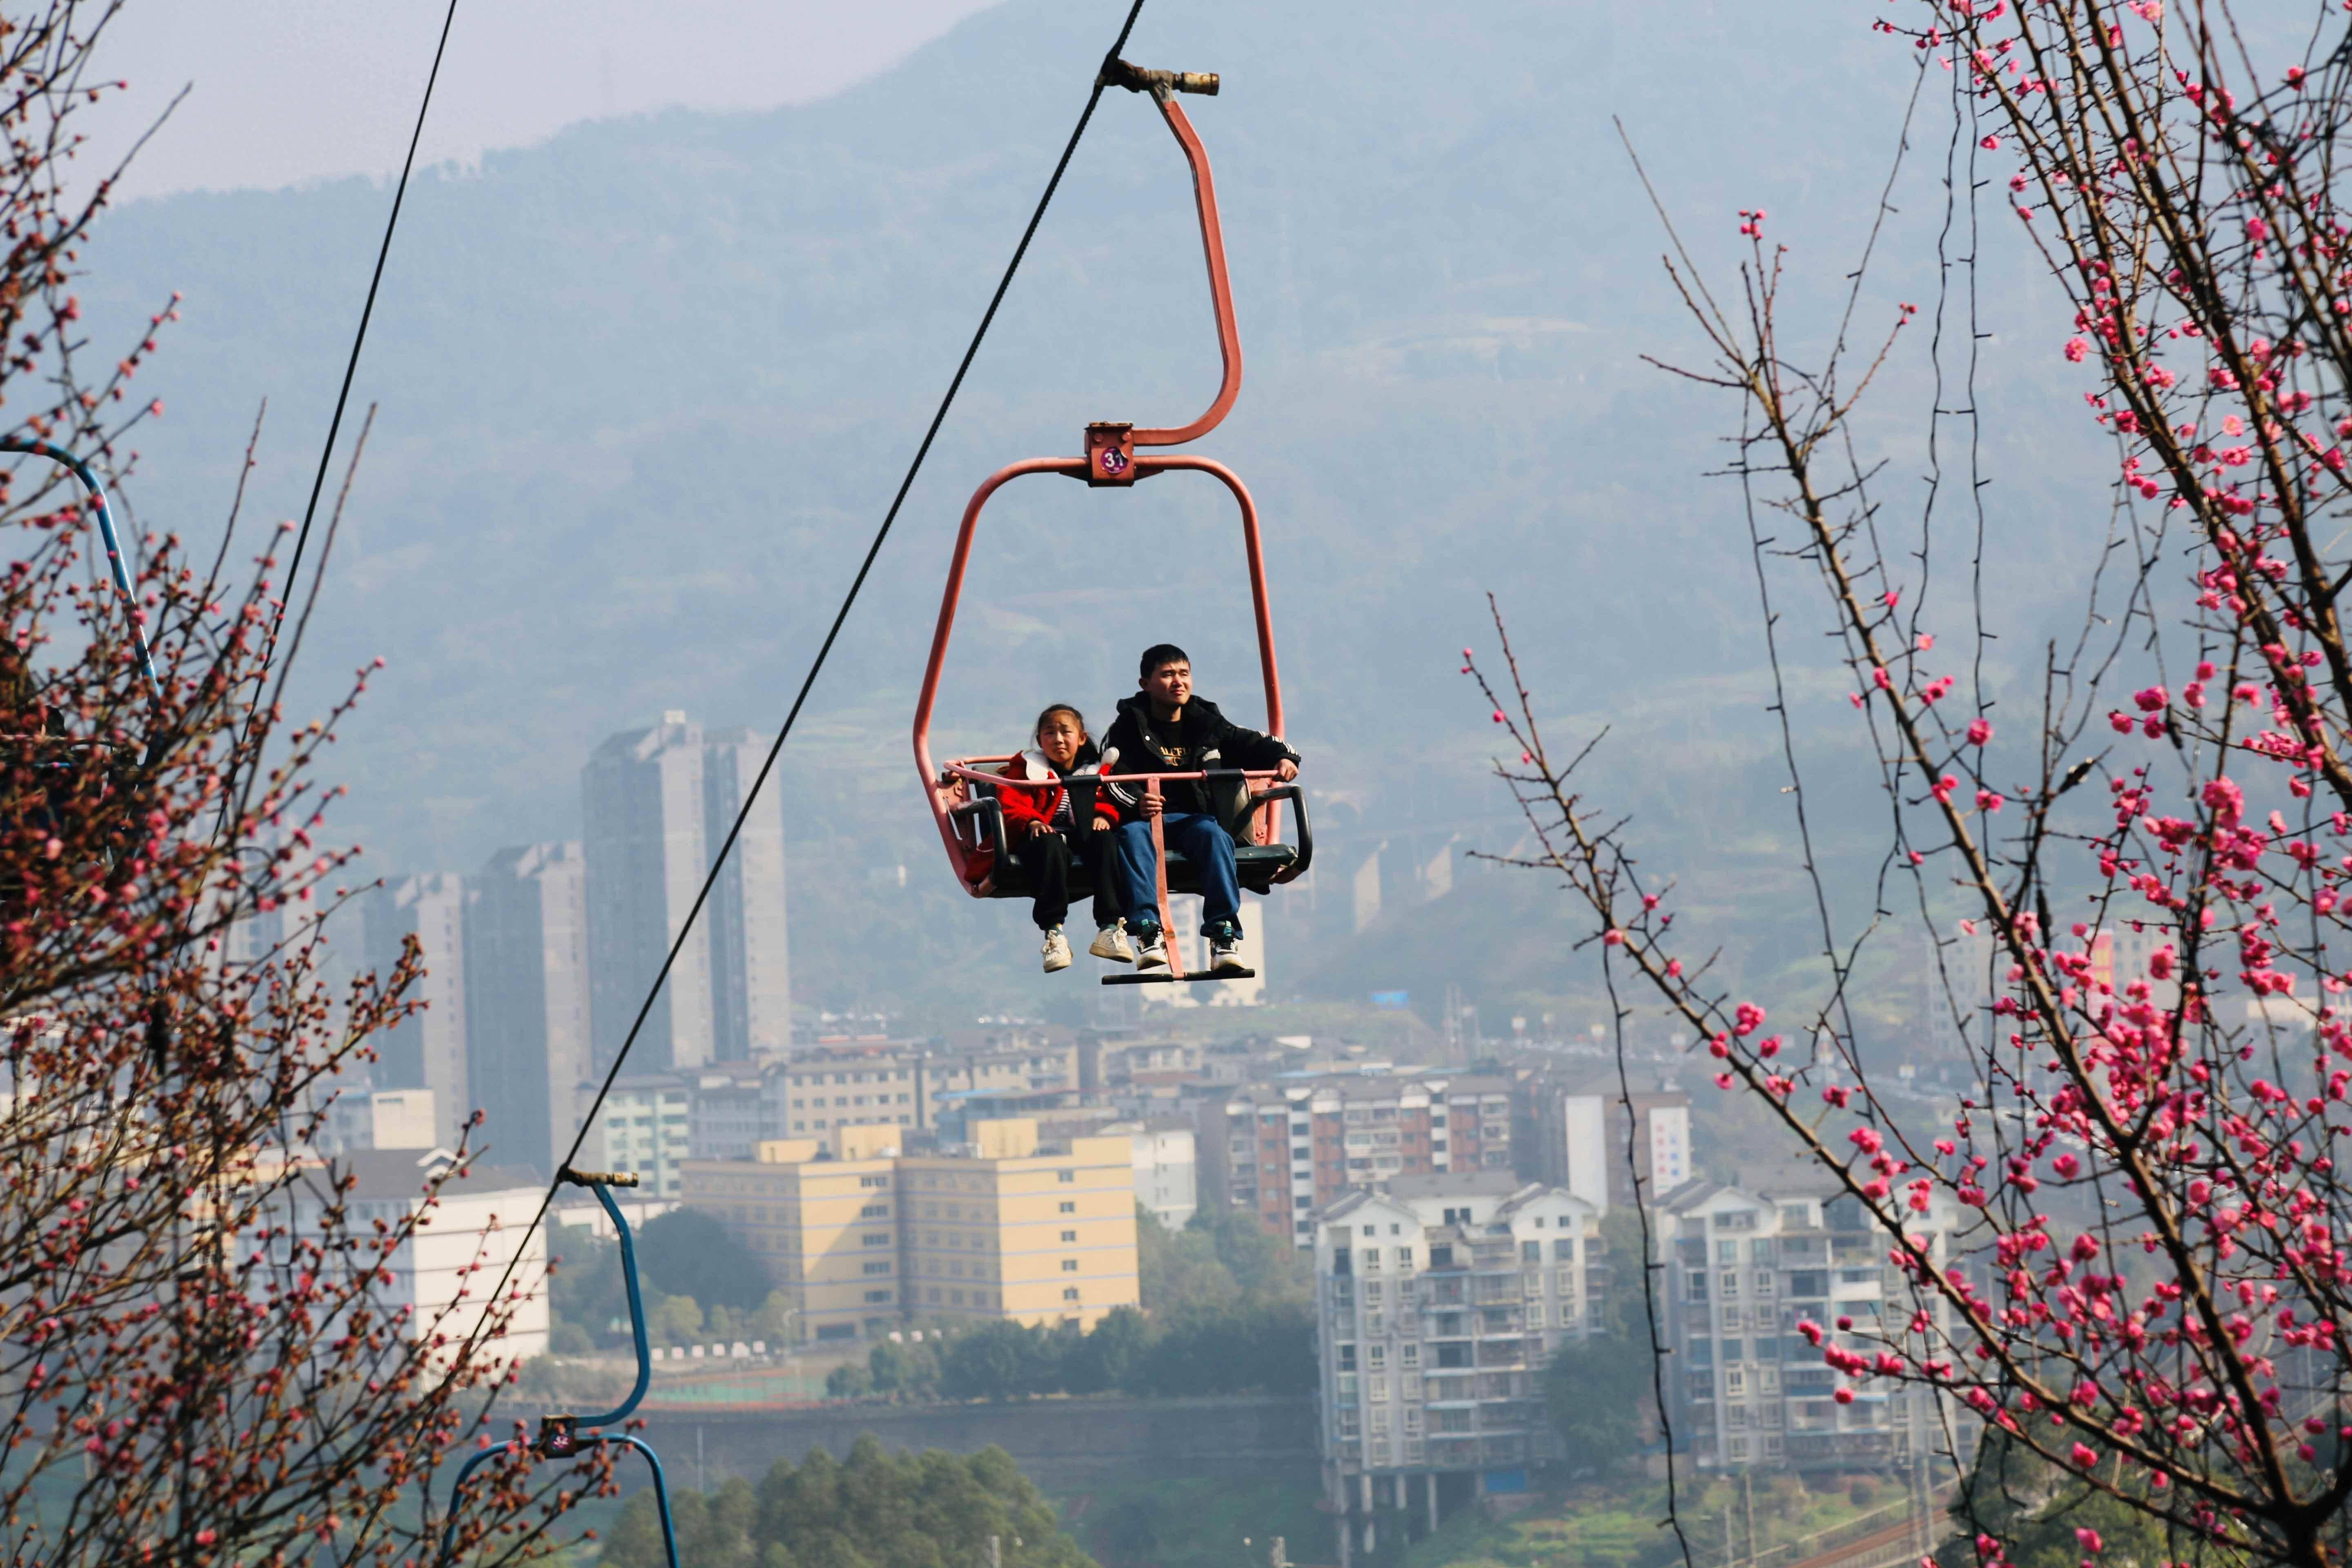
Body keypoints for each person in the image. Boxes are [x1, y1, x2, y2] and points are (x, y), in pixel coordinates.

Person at [1100, 644, 1299, 974]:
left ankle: (1223, 934)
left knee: (1214, 836)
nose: (1178, 682)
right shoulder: (1126, 728)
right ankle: (1148, 930)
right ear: (1145, 684)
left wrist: (1285, 758)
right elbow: (1108, 776)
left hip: (1193, 820)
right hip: (1146, 821)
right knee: (1132, 838)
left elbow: (1256, 742)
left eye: (1184, 674)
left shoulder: (1207, 724)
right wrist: (1138, 800)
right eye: (1167, 675)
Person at [993, 703, 1132, 972]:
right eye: (1049, 733)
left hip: (1081, 833)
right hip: (1041, 836)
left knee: (1105, 841)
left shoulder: (1096, 771)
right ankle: (1054, 932)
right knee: (1050, 844)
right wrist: (1031, 821)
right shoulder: (1027, 769)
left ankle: (1110, 927)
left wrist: (1104, 817)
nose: (1058, 740)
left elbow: (1111, 800)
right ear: (1039, 741)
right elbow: (1011, 802)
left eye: (1065, 732)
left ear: (1081, 738)